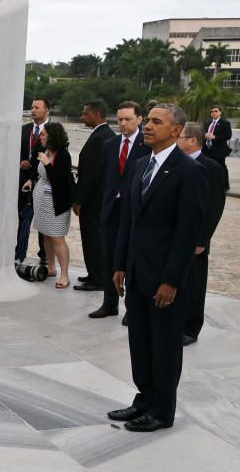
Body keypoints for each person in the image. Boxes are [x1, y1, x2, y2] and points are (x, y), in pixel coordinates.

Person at [108, 104, 206, 433]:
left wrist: (171, 281)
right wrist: (120, 265)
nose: (147, 126)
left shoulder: (189, 172)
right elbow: (128, 223)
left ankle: (162, 411)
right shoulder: (139, 166)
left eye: (156, 122)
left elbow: (187, 232)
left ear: (176, 131)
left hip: (165, 280)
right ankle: (145, 399)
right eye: (147, 120)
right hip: (136, 273)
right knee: (141, 342)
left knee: (164, 347)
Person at [89, 101, 150, 319]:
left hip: (135, 210)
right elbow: (106, 176)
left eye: (128, 119)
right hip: (111, 209)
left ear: (140, 119)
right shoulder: (110, 145)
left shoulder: (147, 145)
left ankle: (132, 308)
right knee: (110, 257)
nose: (123, 124)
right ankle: (109, 303)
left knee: (132, 259)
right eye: (120, 119)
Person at [176, 123, 226, 345]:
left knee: (195, 284)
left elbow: (215, 207)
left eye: (180, 137)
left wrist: (202, 240)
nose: (176, 140)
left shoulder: (211, 167)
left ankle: (191, 328)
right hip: (176, 235)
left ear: (192, 140)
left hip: (197, 240)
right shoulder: (178, 164)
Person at [25, 122, 74, 289]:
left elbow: (59, 181)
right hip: (42, 199)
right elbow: (37, 170)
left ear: (53, 136)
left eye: (44, 134)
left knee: (57, 237)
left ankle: (65, 275)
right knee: (45, 234)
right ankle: (51, 267)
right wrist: (31, 181)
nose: (41, 136)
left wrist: (47, 163)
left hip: (57, 201)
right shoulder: (45, 150)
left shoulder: (63, 156)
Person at [73, 100, 114, 291]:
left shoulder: (101, 137)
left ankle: (98, 278)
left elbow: (91, 174)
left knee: (94, 239)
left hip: (94, 199)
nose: (83, 117)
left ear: (96, 114)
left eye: (85, 114)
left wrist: (79, 200)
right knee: (92, 239)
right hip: (98, 198)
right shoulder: (104, 134)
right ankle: (94, 273)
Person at [17, 98, 50, 266]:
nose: (33, 110)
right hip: (23, 179)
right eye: (31, 107)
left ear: (46, 110)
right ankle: (19, 251)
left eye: (37, 107)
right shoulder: (24, 130)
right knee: (22, 216)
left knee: (42, 218)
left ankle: (44, 253)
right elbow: (14, 150)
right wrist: (20, 161)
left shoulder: (53, 132)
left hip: (44, 180)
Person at [203, 105, 232, 191]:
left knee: (221, 167)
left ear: (220, 112)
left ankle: (225, 185)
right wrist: (204, 135)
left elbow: (228, 136)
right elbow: (203, 132)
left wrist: (214, 137)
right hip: (207, 149)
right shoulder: (208, 123)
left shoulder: (225, 123)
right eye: (212, 111)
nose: (213, 113)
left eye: (216, 111)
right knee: (207, 166)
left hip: (219, 150)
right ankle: (210, 183)